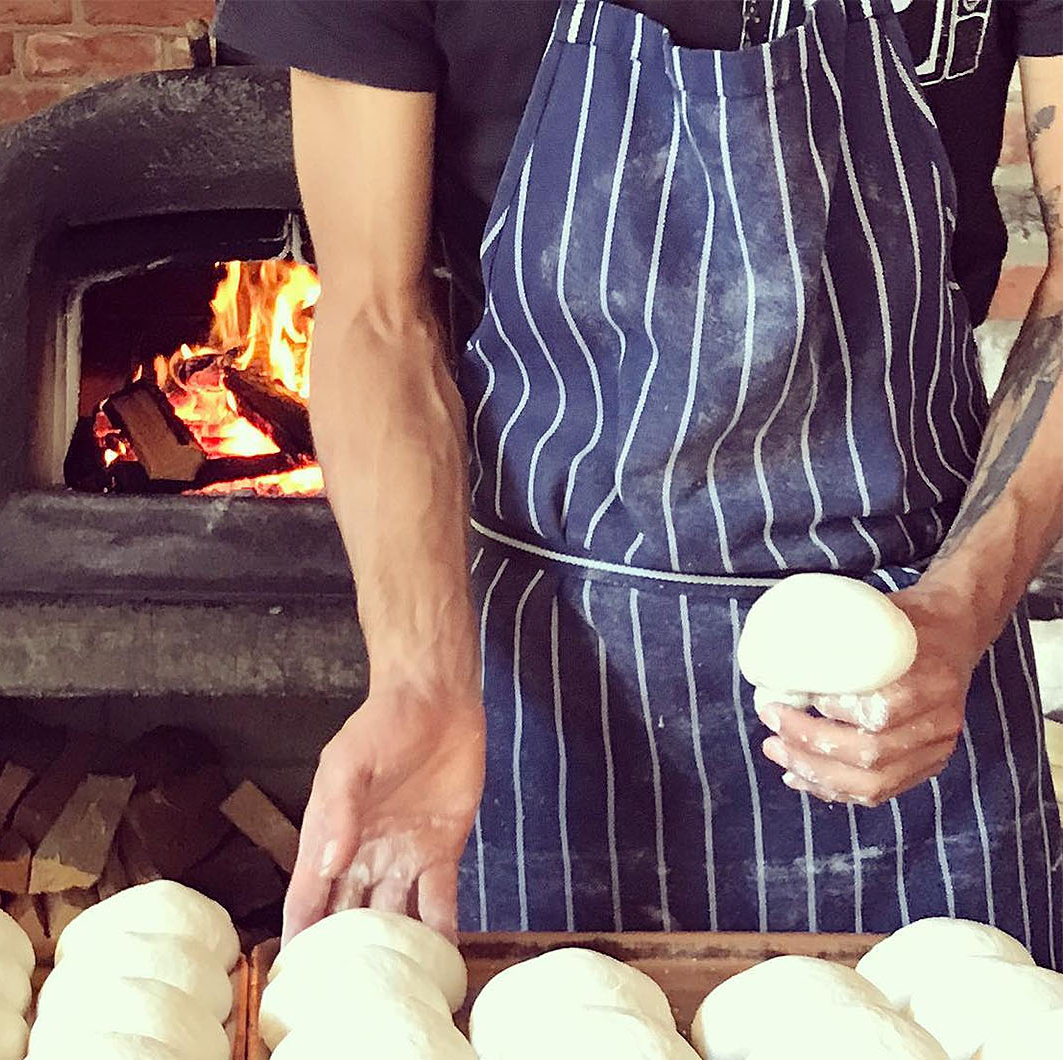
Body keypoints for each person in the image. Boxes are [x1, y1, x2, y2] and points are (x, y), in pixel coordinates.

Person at [216, 0, 1063, 965]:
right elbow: (375, 316)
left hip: (912, 660)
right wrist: (419, 677)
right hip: (546, 680)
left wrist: (961, 608)